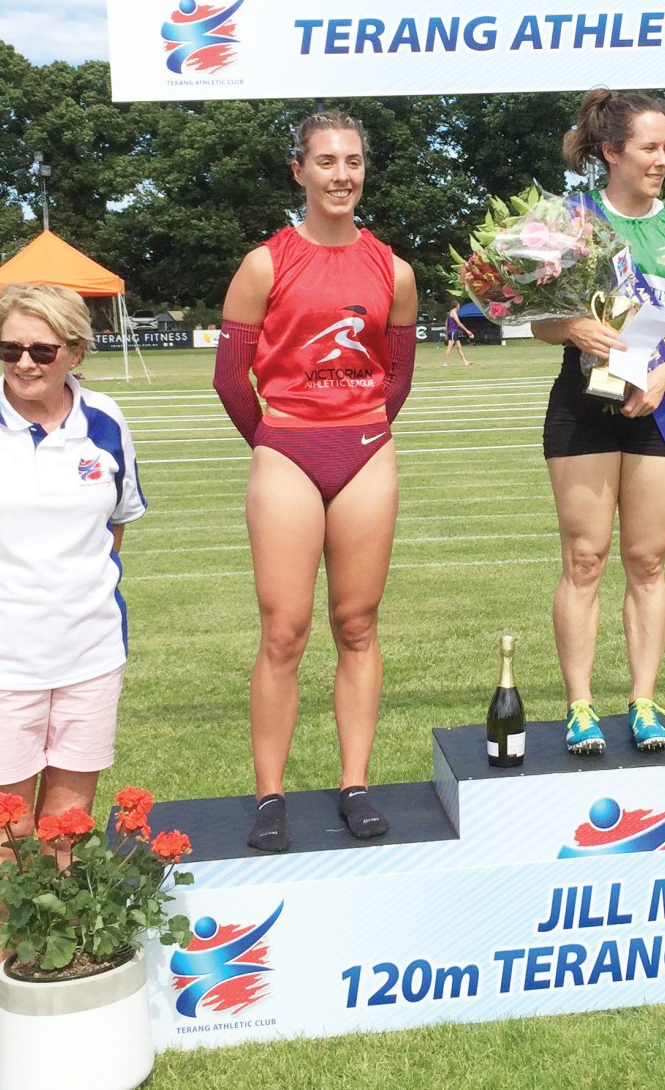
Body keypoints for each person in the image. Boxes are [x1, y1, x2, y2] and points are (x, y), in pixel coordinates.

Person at [0, 282, 147, 983]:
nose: (24, 362)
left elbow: (115, 526)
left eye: (42, 349)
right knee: (4, 828)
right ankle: (9, 981)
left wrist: (68, 599)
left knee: (69, 819)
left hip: (91, 654)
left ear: (76, 350)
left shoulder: (106, 421)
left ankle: (59, 962)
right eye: (8, 348)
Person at [212, 110, 418, 852]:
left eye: (353, 160)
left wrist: (358, 429)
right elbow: (230, 379)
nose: (341, 174)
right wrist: (276, 443)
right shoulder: (264, 263)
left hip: (365, 450)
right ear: (298, 171)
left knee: (357, 625)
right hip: (286, 452)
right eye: (325, 160)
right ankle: (271, 794)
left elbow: (396, 379)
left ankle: (354, 782)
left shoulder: (394, 269)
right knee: (284, 631)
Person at [536, 88, 665, 755]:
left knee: (647, 559)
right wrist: (576, 326)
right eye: (649, 147)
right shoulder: (571, 219)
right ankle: (580, 705)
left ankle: (643, 700)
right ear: (611, 151)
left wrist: (662, 379)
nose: (662, 158)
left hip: (655, 407)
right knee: (585, 559)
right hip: (582, 406)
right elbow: (537, 322)